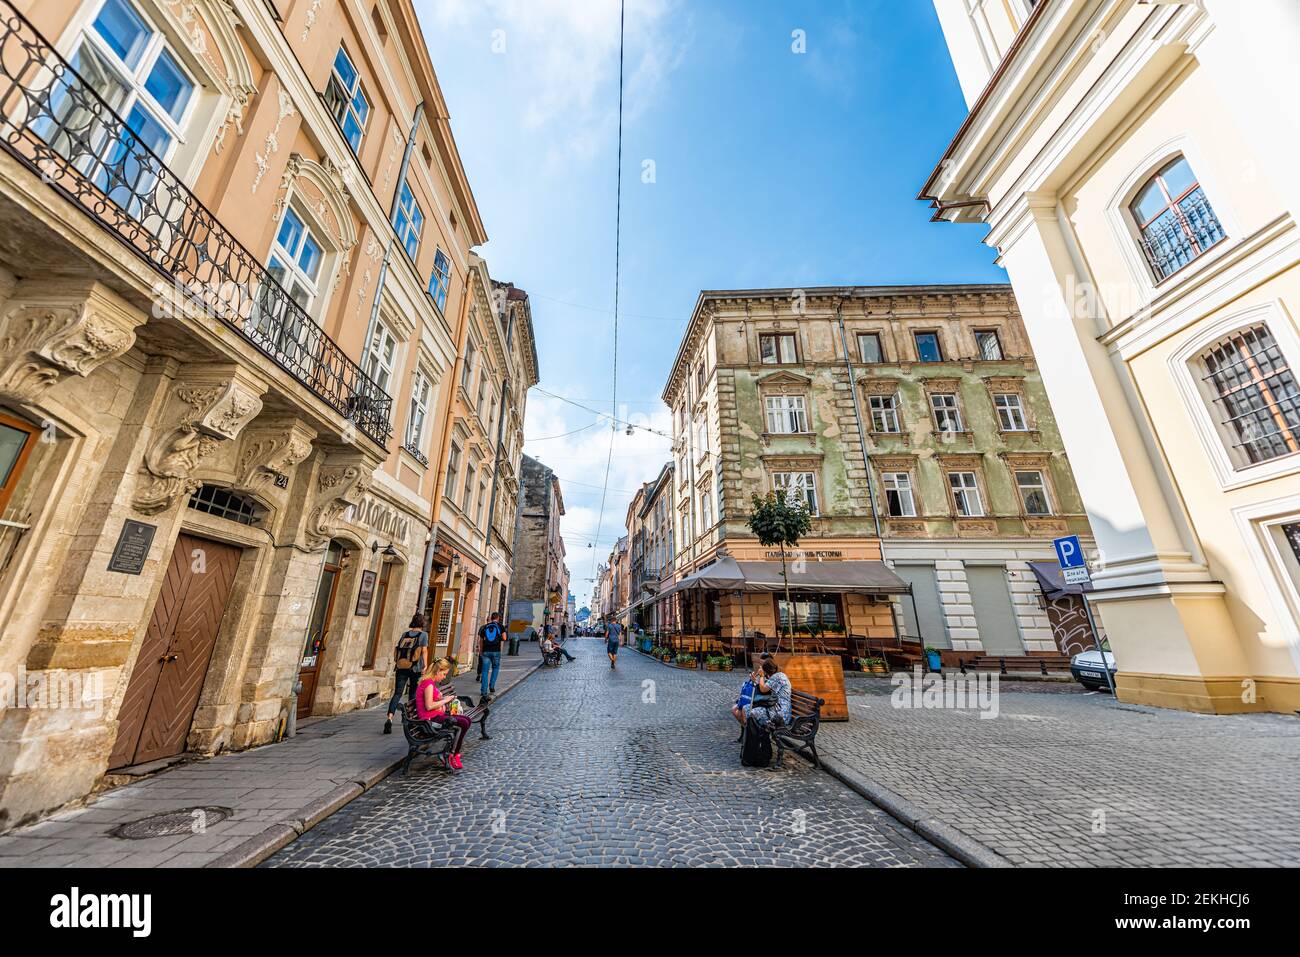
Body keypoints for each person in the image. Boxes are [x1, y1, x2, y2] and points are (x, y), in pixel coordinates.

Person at [415, 657, 471, 770]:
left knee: (467, 720)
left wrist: (443, 698)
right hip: (429, 721)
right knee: (463, 723)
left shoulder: (431, 683)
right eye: (444, 674)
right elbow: (429, 706)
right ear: (438, 671)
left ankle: (454, 753)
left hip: (436, 716)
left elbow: (433, 701)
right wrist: (444, 701)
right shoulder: (428, 684)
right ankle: (453, 754)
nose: (444, 677)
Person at [384, 614, 429, 734]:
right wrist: (425, 665)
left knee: (397, 693)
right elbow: (424, 650)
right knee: (412, 693)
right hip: (415, 668)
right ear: (422, 623)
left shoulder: (405, 634)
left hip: (401, 667)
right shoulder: (423, 635)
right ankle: (410, 720)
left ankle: (389, 718)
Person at [737, 658, 791, 732]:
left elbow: (763, 689)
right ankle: (750, 736)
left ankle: (755, 737)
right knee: (746, 708)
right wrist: (755, 681)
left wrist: (762, 676)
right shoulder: (774, 677)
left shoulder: (778, 676)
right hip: (772, 707)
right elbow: (763, 689)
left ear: (767, 671)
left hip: (780, 714)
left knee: (752, 713)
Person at [477, 612, 506, 703]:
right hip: (496, 651)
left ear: (491, 618)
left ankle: (483, 691)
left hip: (486, 651)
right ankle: (492, 686)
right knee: (495, 668)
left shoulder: (485, 627)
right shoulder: (501, 626)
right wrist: (499, 638)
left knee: (484, 671)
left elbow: (481, 640)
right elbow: (505, 638)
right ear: (498, 618)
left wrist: (481, 651)